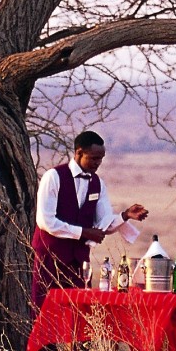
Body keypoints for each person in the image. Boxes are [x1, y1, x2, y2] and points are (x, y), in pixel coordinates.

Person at [30, 130, 149, 314]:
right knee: (43, 312)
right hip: (49, 258)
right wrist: (84, 232)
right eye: (94, 158)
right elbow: (46, 221)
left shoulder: (97, 184)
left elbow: (103, 223)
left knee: (79, 314)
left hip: (79, 262)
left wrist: (125, 216)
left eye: (101, 159)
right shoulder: (53, 177)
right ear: (78, 153)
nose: (98, 163)